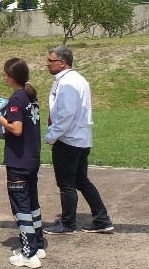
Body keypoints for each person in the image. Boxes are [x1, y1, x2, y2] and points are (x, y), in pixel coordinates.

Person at [44, 46, 114, 235]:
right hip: (81, 138)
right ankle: (101, 219)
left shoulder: (67, 83)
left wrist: (51, 136)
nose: (47, 64)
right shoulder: (79, 80)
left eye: (51, 61)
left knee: (66, 183)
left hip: (68, 139)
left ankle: (68, 223)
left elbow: (66, 115)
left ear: (62, 62)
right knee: (82, 180)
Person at [0, 57, 47, 269]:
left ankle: (28, 254)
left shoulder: (16, 99)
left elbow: (16, 129)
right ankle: (38, 244)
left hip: (18, 160)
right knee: (32, 203)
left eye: (4, 74)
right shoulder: (30, 96)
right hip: (32, 158)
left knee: (20, 206)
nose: (3, 77)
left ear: (11, 78)